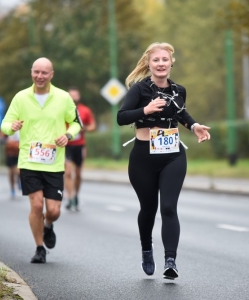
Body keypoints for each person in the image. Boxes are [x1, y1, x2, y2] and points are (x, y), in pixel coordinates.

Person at [117, 42, 211, 280]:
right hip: (143, 157)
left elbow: (181, 113)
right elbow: (121, 117)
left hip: (172, 154)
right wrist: (145, 110)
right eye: (156, 60)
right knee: (148, 209)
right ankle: (147, 249)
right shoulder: (139, 90)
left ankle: (171, 261)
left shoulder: (179, 89)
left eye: (165, 60)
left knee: (168, 207)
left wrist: (194, 126)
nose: (160, 64)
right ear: (149, 64)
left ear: (171, 63)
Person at [1, 57, 82, 264]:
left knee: (53, 211)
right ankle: (39, 248)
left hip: (54, 162)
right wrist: (12, 127)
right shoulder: (21, 98)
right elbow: (5, 124)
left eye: (44, 72)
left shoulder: (63, 98)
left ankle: (48, 225)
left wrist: (68, 135)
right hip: (28, 161)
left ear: (51, 75)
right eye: (36, 72)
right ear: (31, 73)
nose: (40, 76)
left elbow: (75, 123)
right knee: (36, 206)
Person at [64, 87, 96, 211]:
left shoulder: (85, 110)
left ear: (79, 97)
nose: (73, 98)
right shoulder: (63, 110)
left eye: (75, 95)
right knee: (67, 172)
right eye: (70, 95)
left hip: (79, 145)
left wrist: (83, 128)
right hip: (66, 145)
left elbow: (93, 126)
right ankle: (70, 197)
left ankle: (76, 195)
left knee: (77, 173)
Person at [0, 130, 21, 199]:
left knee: (18, 170)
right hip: (10, 152)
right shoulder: (9, 125)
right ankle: (12, 189)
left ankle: (19, 181)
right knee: (11, 172)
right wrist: (7, 141)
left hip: (20, 151)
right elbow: (1, 138)